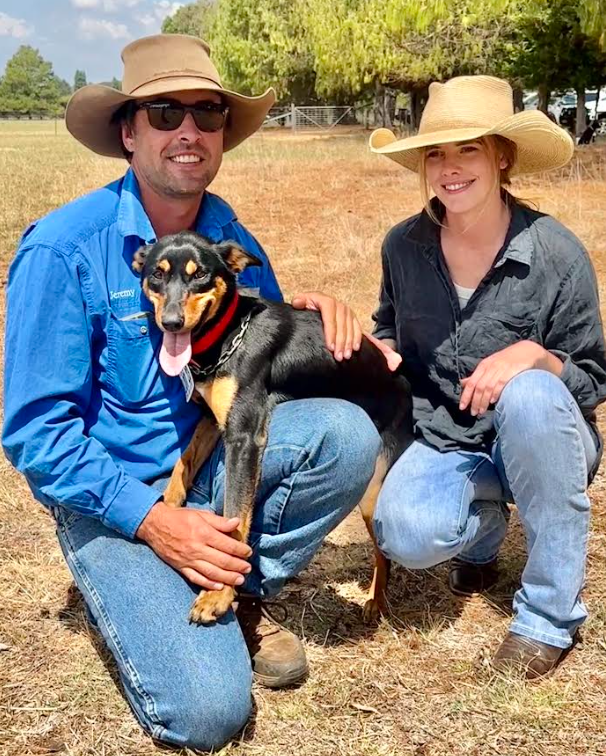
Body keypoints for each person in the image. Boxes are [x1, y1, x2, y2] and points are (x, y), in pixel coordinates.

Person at [2, 34, 383, 751]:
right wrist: (151, 520)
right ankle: (134, 583)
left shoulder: (224, 229)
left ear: (220, 135)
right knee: (210, 714)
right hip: (112, 500)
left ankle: (235, 587)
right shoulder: (63, 249)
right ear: (128, 132)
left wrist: (318, 309)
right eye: (164, 111)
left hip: (208, 468)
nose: (189, 130)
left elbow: (261, 343)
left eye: (207, 113)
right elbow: (34, 434)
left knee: (346, 434)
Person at [369, 75, 606, 680]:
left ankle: (549, 615)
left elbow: (593, 377)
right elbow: (390, 327)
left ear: (502, 156)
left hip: (546, 436)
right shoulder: (403, 246)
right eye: (436, 153)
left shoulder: (555, 251)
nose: (450, 167)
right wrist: (375, 350)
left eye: (468, 148)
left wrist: (536, 356)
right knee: (404, 535)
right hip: (448, 436)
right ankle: (487, 526)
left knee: (527, 395)